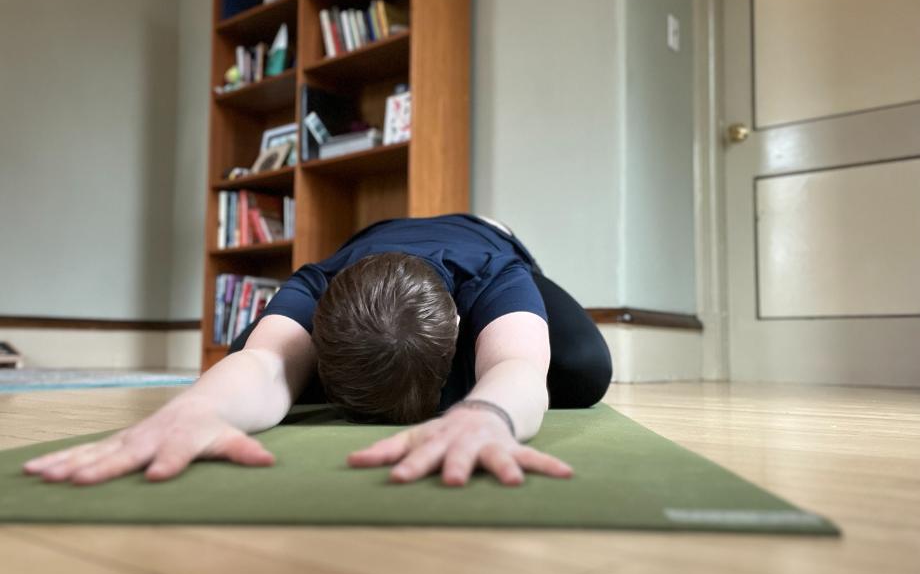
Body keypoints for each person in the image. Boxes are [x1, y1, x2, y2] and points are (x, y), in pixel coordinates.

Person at [23, 214, 612, 488]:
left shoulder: (490, 276)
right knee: (246, 352)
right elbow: (263, 366)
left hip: (486, 233)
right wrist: (194, 411)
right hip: (368, 243)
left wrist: (488, 416)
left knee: (583, 368)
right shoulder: (311, 286)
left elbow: (517, 367)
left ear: (459, 323)